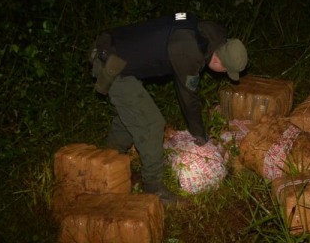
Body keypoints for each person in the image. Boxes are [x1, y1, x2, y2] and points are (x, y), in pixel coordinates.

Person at [89, 12, 248, 205]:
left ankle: (108, 163)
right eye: (225, 71)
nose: (224, 74)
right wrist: (199, 133)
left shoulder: (211, 34)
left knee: (131, 117)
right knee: (151, 124)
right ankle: (154, 188)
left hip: (115, 51)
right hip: (111, 63)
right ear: (218, 60)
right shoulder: (188, 50)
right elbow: (188, 97)